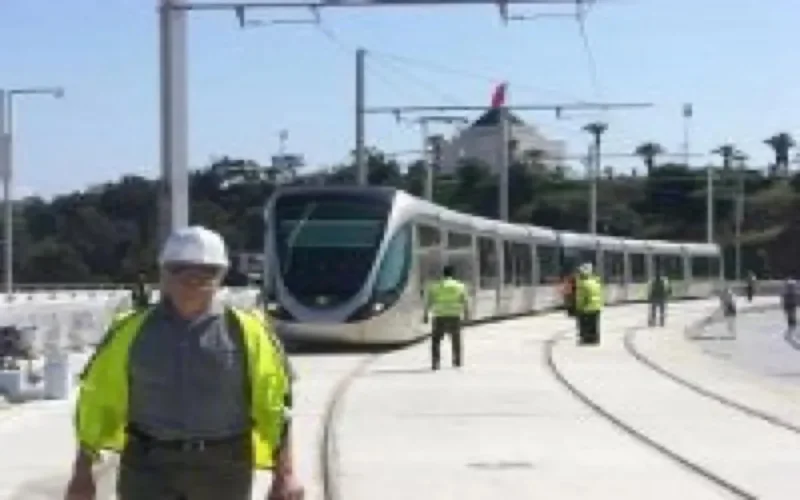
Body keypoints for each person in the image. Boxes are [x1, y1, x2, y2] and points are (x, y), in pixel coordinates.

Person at [64, 226, 304, 500]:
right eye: (180, 269)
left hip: (223, 470)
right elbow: (97, 402)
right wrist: (82, 472)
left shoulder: (250, 332)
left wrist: (285, 473)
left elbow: (275, 406)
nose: (193, 279)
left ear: (222, 276)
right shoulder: (127, 332)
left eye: (207, 271)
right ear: (163, 274)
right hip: (148, 468)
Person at [423, 264, 469, 370]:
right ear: (453, 274)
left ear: (443, 274)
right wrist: (466, 314)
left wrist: (425, 315)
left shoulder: (435, 286)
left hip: (439, 316)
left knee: (436, 341)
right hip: (454, 316)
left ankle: (435, 362)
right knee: (456, 340)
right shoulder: (460, 286)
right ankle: (457, 361)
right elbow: (465, 301)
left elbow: (429, 302)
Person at [574, 262, 604, 345]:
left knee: (584, 324)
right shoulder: (596, 281)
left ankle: (585, 339)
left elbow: (581, 297)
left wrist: (578, 307)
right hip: (596, 307)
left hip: (587, 307)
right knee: (594, 325)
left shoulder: (583, 283)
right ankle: (595, 339)